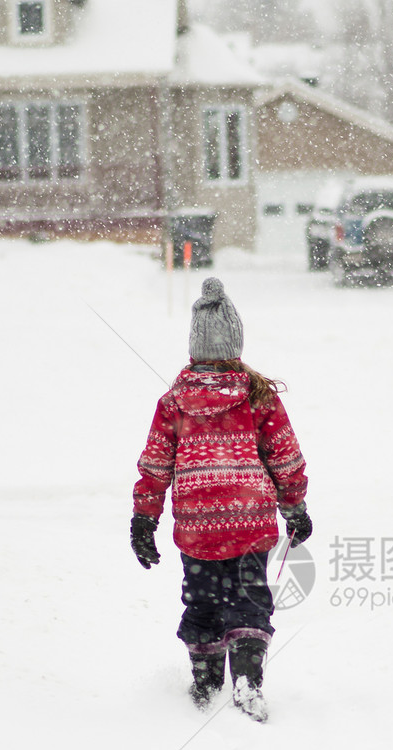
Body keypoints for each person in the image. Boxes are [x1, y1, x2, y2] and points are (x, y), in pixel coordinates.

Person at [130, 277, 311, 722]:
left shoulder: (173, 401)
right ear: (236, 343)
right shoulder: (257, 396)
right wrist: (295, 506)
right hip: (249, 519)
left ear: (193, 347)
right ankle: (247, 679)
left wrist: (144, 519)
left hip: (197, 525)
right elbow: (284, 456)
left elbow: (156, 465)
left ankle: (206, 681)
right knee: (248, 597)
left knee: (203, 597)